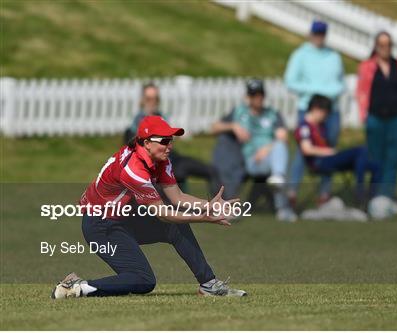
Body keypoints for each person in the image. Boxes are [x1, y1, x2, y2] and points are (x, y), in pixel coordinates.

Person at [51, 116, 247, 298]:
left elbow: (177, 197)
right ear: (146, 142)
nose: (169, 146)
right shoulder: (133, 170)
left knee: (176, 227)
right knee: (143, 280)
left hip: (123, 218)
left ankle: (209, 285)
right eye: (164, 141)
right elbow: (163, 213)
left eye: (171, 140)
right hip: (101, 226)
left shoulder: (160, 159)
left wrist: (208, 205)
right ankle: (78, 287)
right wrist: (204, 217)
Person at [211, 79, 297, 222]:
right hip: (251, 160)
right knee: (280, 169)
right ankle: (282, 203)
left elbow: (283, 138)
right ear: (248, 97)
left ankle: (281, 196)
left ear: (264, 96)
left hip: (270, 157)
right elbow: (214, 127)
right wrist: (233, 126)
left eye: (260, 95)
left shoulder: (273, 114)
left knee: (280, 157)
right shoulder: (239, 112)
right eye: (254, 95)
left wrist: (267, 148)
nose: (257, 98)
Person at [284, 20, 345, 206]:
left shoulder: (333, 56)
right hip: (308, 109)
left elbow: (340, 83)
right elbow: (290, 81)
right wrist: (316, 90)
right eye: (316, 33)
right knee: (304, 150)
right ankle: (292, 191)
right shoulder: (300, 55)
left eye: (322, 34)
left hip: (331, 110)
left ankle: (324, 193)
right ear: (310, 34)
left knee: (329, 151)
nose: (319, 37)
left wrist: (328, 93)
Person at [125, 83, 220, 195]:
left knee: (211, 170)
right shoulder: (136, 126)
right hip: (158, 166)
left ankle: (221, 208)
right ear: (142, 100)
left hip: (172, 159)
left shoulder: (162, 117)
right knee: (175, 179)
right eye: (149, 99)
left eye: (156, 99)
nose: (153, 102)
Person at [356, 31, 397, 208]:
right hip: (375, 118)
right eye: (381, 45)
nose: (385, 48)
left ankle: (387, 196)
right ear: (375, 46)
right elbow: (361, 91)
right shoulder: (367, 67)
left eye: (388, 45)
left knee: (393, 159)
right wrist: (364, 115)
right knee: (376, 160)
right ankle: (374, 196)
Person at [295, 95, 380, 204]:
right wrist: (327, 152)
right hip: (319, 162)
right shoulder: (304, 127)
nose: (325, 117)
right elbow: (306, 149)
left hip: (329, 159)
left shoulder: (321, 126)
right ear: (315, 109)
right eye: (324, 113)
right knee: (360, 151)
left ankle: (372, 198)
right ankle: (360, 192)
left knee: (375, 166)